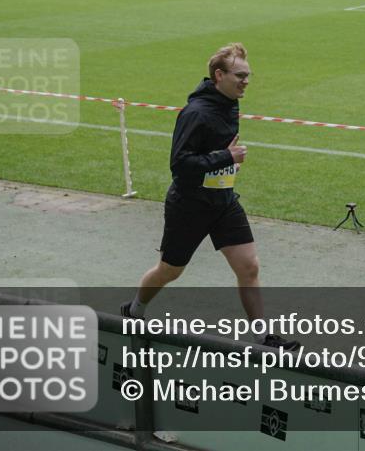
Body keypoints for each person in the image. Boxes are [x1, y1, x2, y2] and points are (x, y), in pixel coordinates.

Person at [121, 43, 297, 350]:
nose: (246, 81)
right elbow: (180, 165)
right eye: (240, 75)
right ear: (219, 75)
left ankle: (263, 338)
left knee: (249, 266)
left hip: (224, 202)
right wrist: (225, 158)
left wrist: (225, 166)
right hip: (189, 206)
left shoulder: (229, 103)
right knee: (170, 270)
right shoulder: (196, 113)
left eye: (248, 75)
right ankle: (134, 310)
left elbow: (216, 154)